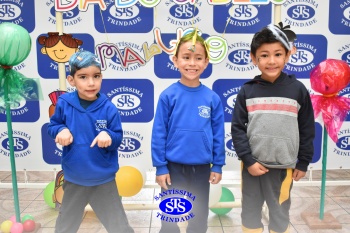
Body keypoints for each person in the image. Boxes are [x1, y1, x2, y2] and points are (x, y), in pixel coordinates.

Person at [231, 24, 315, 233]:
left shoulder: (298, 89)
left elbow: (306, 128)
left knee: (279, 211)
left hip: (283, 167)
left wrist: (303, 162)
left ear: (287, 55)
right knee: (250, 211)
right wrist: (248, 160)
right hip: (252, 167)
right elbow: (237, 128)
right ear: (254, 58)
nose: (271, 61)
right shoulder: (247, 90)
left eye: (278, 54)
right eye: (264, 55)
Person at [47, 50, 134, 233]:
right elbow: (53, 126)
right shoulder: (63, 103)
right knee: (64, 228)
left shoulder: (109, 108)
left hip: (103, 180)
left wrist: (109, 136)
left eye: (96, 76)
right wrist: (60, 130)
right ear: (72, 80)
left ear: (102, 77)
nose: (91, 83)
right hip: (74, 178)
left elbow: (118, 137)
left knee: (119, 227)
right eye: (83, 77)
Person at [151, 30, 226, 233]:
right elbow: (159, 133)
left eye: (198, 58)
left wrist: (217, 164)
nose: (192, 63)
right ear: (175, 60)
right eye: (186, 57)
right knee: (170, 216)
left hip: (202, 167)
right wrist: (160, 167)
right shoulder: (168, 96)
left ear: (206, 62)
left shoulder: (212, 98)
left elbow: (218, 134)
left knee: (199, 215)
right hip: (172, 167)